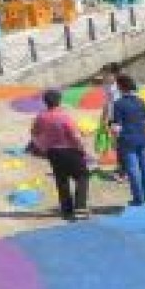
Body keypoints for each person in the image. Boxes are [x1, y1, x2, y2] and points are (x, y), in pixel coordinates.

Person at [29, 89, 91, 220]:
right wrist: (83, 149)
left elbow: (34, 134)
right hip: (70, 150)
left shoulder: (41, 116)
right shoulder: (64, 116)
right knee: (82, 176)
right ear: (59, 101)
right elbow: (75, 136)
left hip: (53, 152)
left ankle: (67, 210)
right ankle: (80, 208)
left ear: (45, 102)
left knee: (61, 180)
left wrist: (43, 147)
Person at [110, 75, 145, 206]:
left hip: (127, 140)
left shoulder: (118, 104)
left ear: (121, 87)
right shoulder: (141, 101)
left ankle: (138, 198)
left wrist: (114, 137)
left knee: (133, 169)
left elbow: (117, 127)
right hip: (142, 137)